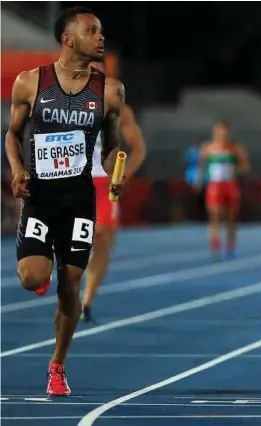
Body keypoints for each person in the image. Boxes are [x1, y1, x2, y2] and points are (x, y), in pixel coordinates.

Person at [5, 6, 126, 396]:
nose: (101, 38)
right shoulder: (30, 82)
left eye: (102, 31)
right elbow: (12, 135)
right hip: (41, 196)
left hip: (79, 198)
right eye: (93, 31)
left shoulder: (109, 91)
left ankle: (57, 365)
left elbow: (111, 147)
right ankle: (40, 268)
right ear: (68, 39)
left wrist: (116, 174)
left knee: (70, 284)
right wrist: (17, 171)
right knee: (32, 278)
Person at [81, 71, 147, 322]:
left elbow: (139, 148)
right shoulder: (63, 104)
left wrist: (125, 175)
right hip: (74, 179)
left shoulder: (120, 110)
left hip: (104, 181)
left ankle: (86, 301)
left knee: (103, 236)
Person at [194, 120, 250, 260]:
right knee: (215, 216)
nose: (222, 134)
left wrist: (234, 168)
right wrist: (199, 180)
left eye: (225, 131)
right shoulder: (207, 148)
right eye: (219, 131)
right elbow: (200, 166)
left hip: (230, 185)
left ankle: (230, 247)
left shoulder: (235, 148)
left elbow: (246, 167)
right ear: (215, 132)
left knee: (231, 217)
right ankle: (215, 246)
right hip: (214, 185)